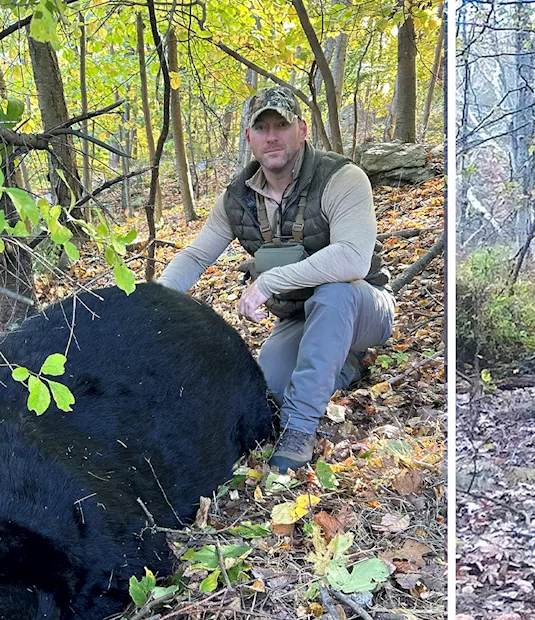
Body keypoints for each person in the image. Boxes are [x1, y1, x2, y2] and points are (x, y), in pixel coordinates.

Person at [159, 85, 395, 472]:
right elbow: (198, 254)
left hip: (363, 307)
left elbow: (353, 259)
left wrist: (268, 282)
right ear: (249, 137)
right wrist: (155, 298)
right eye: (262, 127)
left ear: (301, 130)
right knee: (268, 389)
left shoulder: (341, 177)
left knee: (335, 294)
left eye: (281, 125)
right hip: (300, 318)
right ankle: (347, 366)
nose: (272, 137)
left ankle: (300, 431)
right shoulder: (237, 198)